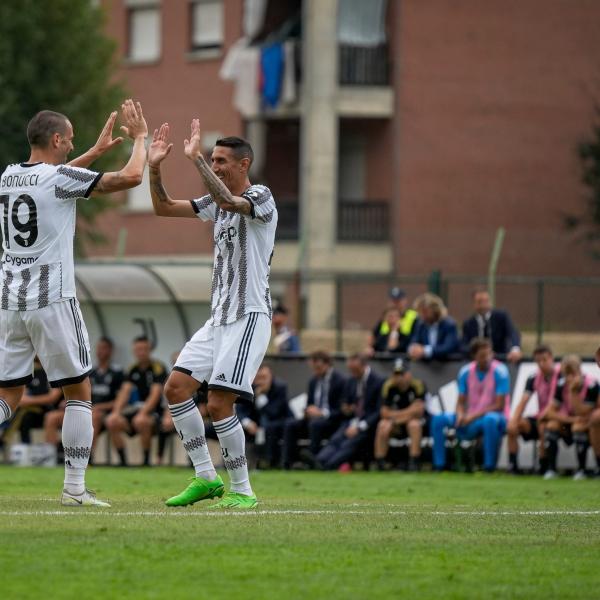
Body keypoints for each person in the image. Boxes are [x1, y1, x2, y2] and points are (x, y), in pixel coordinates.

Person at [0, 101, 148, 507]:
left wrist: (94, 155)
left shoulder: (9, 176)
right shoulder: (60, 178)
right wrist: (140, 138)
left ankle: (75, 488)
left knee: (7, 395)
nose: (72, 145)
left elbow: (51, 181)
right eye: (69, 139)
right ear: (56, 139)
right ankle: (74, 489)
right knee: (79, 392)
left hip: (10, 301)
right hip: (51, 299)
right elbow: (132, 177)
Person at [147, 121, 277, 509]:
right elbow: (163, 208)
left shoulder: (261, 196)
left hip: (249, 316)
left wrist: (197, 161)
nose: (216, 166)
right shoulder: (214, 204)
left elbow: (230, 202)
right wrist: (154, 167)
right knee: (175, 389)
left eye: (222, 160)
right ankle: (206, 477)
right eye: (213, 159)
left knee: (219, 404)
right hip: (218, 319)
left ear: (244, 163)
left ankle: (243, 490)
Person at [431, 338, 509, 472]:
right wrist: (460, 414)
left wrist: (472, 417)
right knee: (439, 420)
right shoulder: (465, 371)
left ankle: (489, 467)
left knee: (490, 420)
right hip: (471, 417)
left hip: (496, 417)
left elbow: (499, 405)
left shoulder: (501, 371)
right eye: (482, 356)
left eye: (489, 354)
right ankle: (440, 465)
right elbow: (461, 401)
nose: (487, 358)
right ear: (474, 356)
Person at [44, 337, 124, 460]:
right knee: (51, 417)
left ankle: (86, 457)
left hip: (102, 413)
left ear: (110, 351)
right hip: (84, 409)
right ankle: (53, 457)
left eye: (104, 348)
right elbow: (77, 392)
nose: (100, 351)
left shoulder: (117, 373)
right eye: (98, 348)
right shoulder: (89, 372)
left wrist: (97, 407)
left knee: (94, 415)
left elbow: (119, 401)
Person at [314, 354, 384, 471]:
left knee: (348, 443)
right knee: (336, 439)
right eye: (350, 370)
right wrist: (346, 408)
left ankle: (328, 466)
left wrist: (360, 427)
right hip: (352, 421)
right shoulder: (351, 380)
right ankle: (319, 460)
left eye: (355, 370)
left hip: (368, 425)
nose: (352, 373)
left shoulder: (378, 381)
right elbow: (345, 401)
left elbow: (378, 411)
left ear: (364, 366)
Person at [105, 336, 167, 466]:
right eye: (138, 350)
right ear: (134, 351)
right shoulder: (132, 368)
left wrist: (143, 413)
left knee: (141, 420)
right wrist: (116, 412)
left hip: (154, 413)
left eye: (144, 349)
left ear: (149, 350)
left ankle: (146, 462)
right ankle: (123, 463)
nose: (141, 352)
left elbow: (155, 394)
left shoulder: (158, 367)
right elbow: (124, 392)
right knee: (111, 421)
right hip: (136, 410)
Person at [282, 350, 347, 469]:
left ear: (327, 364)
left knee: (315, 425)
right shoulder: (313, 381)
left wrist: (322, 413)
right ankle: (288, 463)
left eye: (318, 367)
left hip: (332, 421)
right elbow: (309, 404)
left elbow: (341, 410)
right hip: (313, 419)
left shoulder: (340, 381)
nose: (315, 371)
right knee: (290, 425)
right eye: (313, 368)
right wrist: (308, 411)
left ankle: (312, 462)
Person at [542, 355, 599, 480]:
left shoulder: (591, 384)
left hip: (588, 423)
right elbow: (550, 412)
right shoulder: (561, 385)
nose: (569, 378)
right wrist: (571, 420)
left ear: (579, 371)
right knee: (551, 425)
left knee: (578, 427)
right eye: (566, 374)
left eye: (572, 374)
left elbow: (583, 412)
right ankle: (551, 469)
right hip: (570, 420)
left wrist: (573, 393)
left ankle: (582, 470)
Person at [506, 345, 558, 474]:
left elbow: (555, 404)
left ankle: (544, 466)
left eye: (544, 360)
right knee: (514, 426)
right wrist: (513, 420)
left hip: (558, 417)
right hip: (541, 416)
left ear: (552, 359)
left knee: (543, 427)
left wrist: (542, 418)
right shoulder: (533, 378)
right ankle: (513, 466)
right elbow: (523, 402)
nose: (541, 364)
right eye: (538, 361)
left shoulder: (561, 376)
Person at [373, 358, 427, 471]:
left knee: (414, 425)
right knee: (383, 425)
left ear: (408, 374)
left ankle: (414, 461)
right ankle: (380, 462)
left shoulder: (418, 385)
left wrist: (396, 417)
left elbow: (418, 411)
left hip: (411, 421)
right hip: (395, 423)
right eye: (396, 374)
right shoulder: (388, 386)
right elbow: (384, 412)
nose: (399, 378)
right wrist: (407, 412)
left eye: (402, 374)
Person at [236, 364, 291, 468]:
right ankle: (238, 464)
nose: (261, 382)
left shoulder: (280, 387)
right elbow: (240, 410)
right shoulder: (248, 388)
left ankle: (268, 462)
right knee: (238, 429)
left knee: (268, 428)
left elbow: (274, 413)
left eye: (264, 378)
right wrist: (247, 423)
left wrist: (261, 397)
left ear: (271, 377)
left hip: (278, 422)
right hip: (255, 424)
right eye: (258, 378)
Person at [461, 288, 522, 362]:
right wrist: (478, 353)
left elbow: (513, 332)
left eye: (486, 301)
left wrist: (515, 349)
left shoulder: (501, 317)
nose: (483, 305)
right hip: (477, 363)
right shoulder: (468, 323)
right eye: (480, 302)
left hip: (501, 359)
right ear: (474, 304)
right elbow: (463, 345)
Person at [408, 293, 459, 361]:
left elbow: (448, 347)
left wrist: (425, 351)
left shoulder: (449, 325)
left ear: (435, 310)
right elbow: (414, 341)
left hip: (446, 366)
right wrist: (413, 349)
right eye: (420, 312)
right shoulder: (420, 325)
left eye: (425, 311)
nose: (422, 315)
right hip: (424, 368)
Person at [366, 287, 417, 356]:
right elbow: (373, 335)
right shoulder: (384, 318)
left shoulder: (413, 316)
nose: (395, 304)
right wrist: (369, 348)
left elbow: (392, 348)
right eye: (393, 301)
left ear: (405, 300)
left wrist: (394, 331)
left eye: (398, 301)